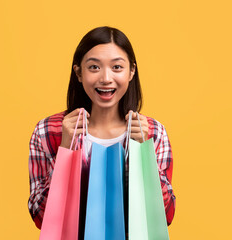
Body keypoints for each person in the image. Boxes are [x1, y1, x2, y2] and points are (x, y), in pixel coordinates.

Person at [28, 26, 176, 235]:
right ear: (78, 72)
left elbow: (166, 215)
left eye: (117, 67)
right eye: (94, 67)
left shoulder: (153, 132)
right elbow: (41, 218)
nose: (106, 78)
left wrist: (146, 154)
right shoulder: (47, 131)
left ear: (131, 71)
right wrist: (64, 151)